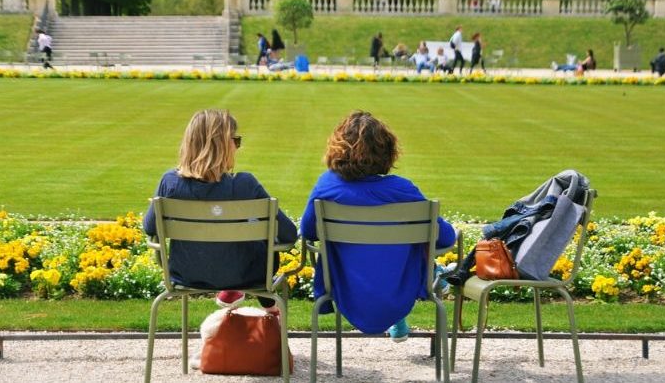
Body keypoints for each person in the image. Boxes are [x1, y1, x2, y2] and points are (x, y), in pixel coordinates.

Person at [300, 111, 456, 342]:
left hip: (345, 286)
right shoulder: (403, 190)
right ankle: (434, 274)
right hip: (398, 285)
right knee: (415, 239)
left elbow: (309, 231)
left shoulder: (327, 186)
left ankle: (422, 288)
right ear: (386, 151)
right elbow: (445, 238)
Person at [143, 109, 297, 312]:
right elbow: (288, 233)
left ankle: (240, 294)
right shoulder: (245, 185)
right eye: (236, 140)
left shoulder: (170, 183)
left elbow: (149, 227)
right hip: (246, 274)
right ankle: (266, 310)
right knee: (256, 228)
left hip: (187, 274)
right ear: (223, 145)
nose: (237, 147)